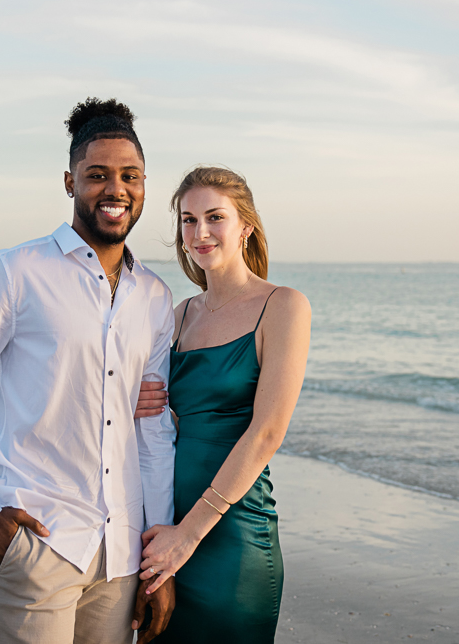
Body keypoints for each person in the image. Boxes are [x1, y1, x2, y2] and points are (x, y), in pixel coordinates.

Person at [0, 98, 177, 644]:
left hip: (121, 556)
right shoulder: (13, 272)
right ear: (69, 181)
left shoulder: (154, 297)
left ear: (145, 184)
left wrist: (159, 560)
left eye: (130, 176)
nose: (115, 189)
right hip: (37, 541)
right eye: (97, 175)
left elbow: (149, 432)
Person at [134, 166, 311, 642]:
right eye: (188, 220)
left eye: (215, 217)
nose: (200, 232)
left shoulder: (284, 306)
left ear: (245, 227)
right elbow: (152, 418)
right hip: (164, 527)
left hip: (231, 536)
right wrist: (133, 399)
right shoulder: (177, 316)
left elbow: (267, 433)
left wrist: (187, 538)